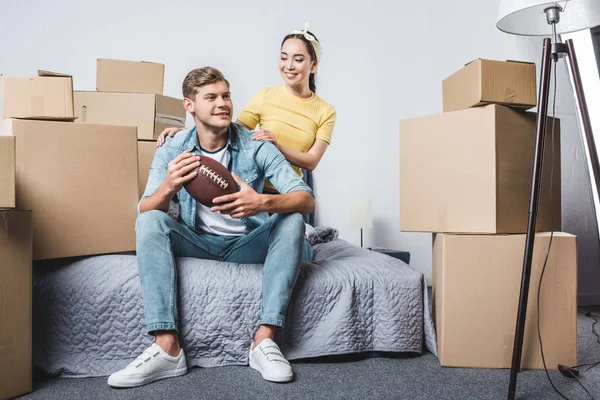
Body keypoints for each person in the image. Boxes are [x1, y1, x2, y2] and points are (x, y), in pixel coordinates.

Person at [107, 66, 315, 388]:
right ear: (189, 105)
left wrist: (261, 202)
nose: (222, 103)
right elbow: (143, 208)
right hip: (198, 241)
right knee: (150, 221)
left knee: (293, 220)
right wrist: (168, 187)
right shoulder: (173, 148)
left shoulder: (255, 145)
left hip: (247, 243)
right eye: (211, 97)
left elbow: (305, 199)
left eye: (226, 95)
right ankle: (167, 347)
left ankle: (264, 340)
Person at [157, 24, 336, 194]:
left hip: (288, 192)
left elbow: (312, 162)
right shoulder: (266, 95)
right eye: (283, 57)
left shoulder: (325, 111)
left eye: (298, 59)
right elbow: (228, 132)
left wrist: (276, 146)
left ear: (314, 65)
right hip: (250, 187)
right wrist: (185, 134)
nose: (288, 65)